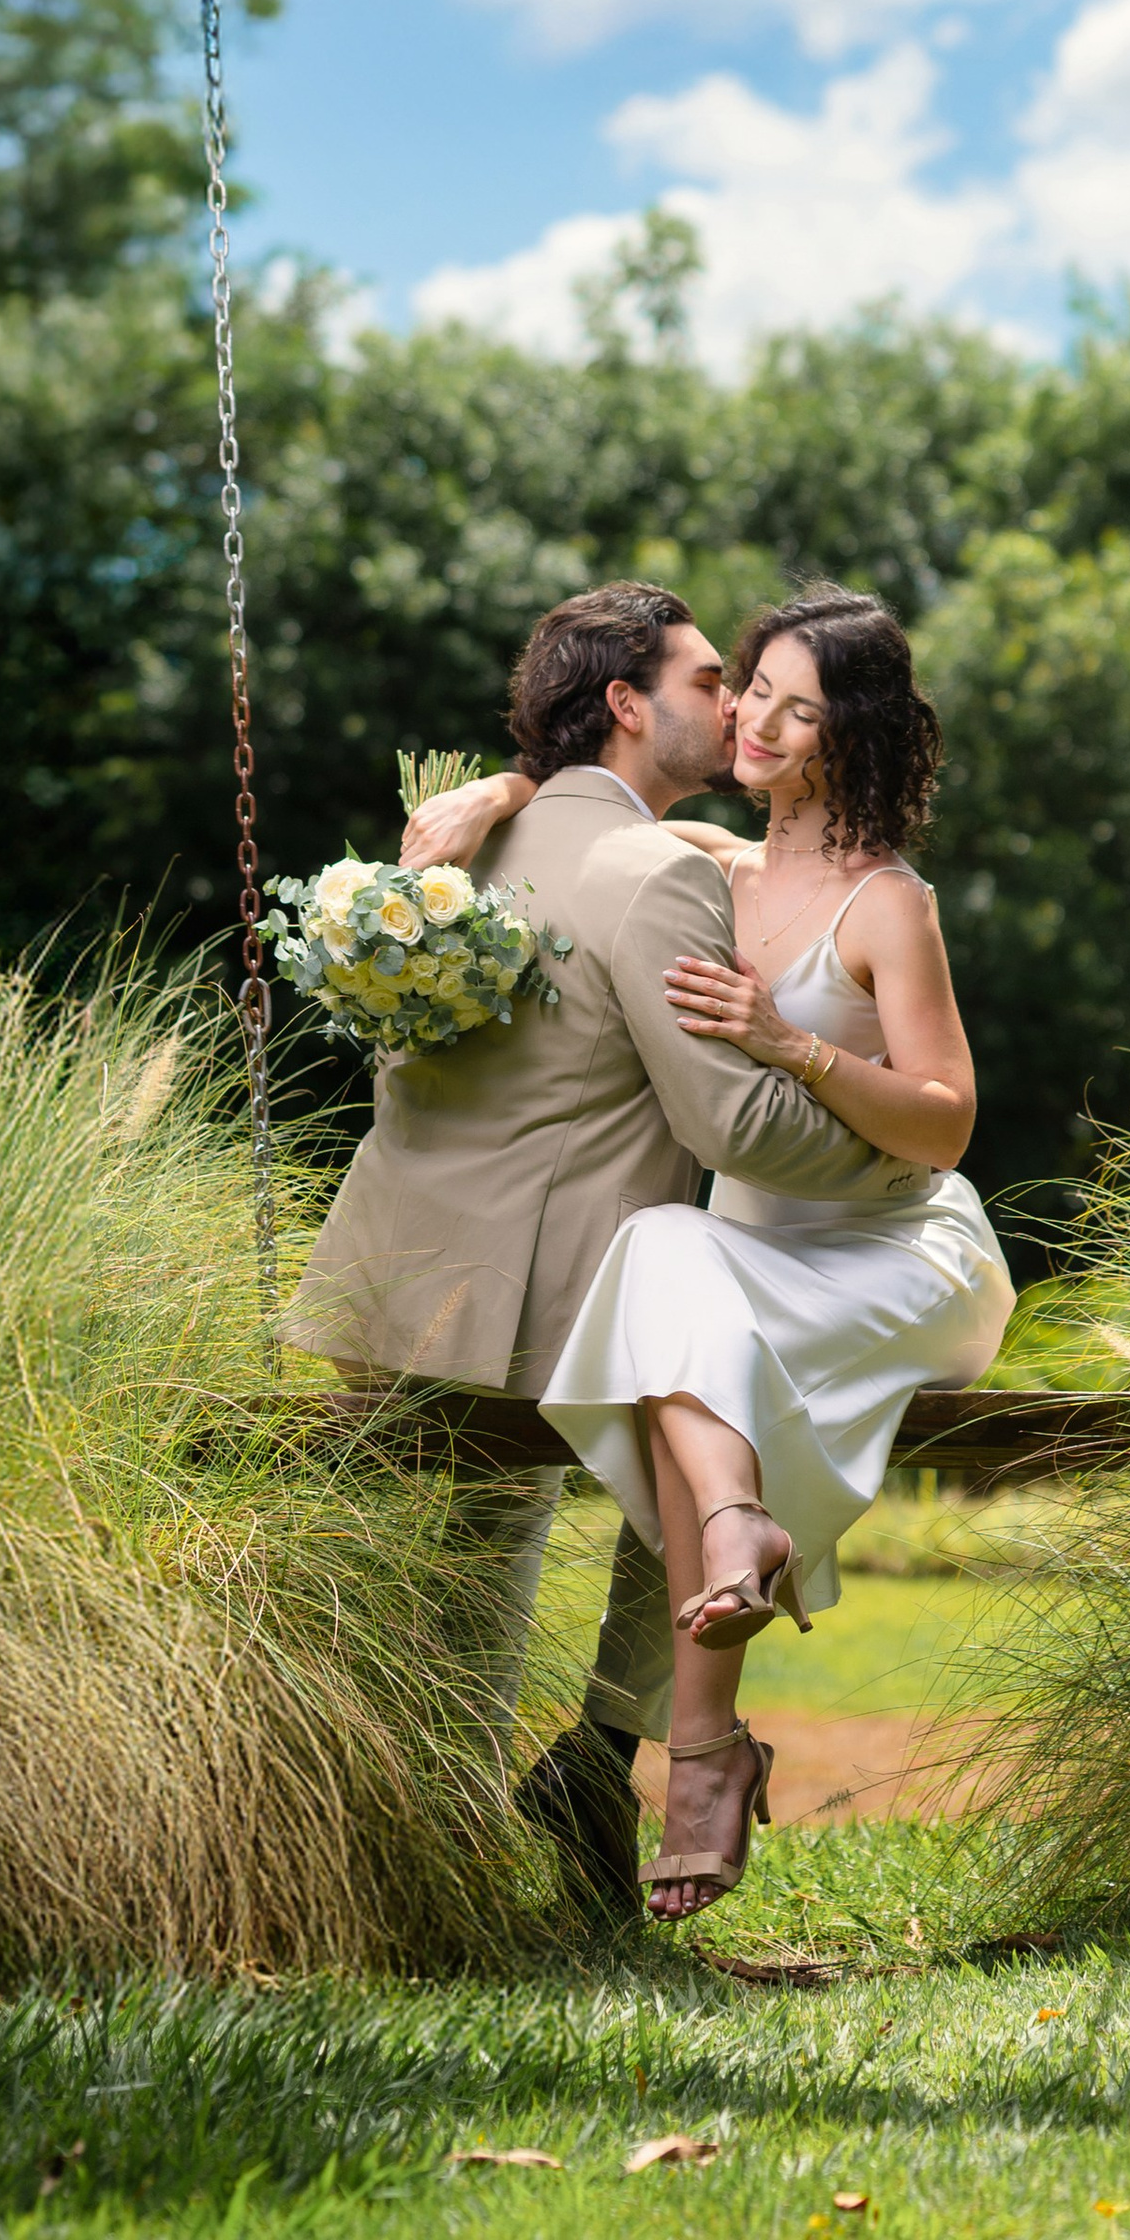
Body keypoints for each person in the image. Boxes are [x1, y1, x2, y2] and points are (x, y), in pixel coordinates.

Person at [285, 580, 919, 1920]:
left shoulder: (446, 865)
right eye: (707, 681)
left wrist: (510, 788)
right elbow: (729, 1121)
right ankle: (577, 1783)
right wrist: (897, 1161)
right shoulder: (657, 877)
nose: (736, 703)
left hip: (388, 1280)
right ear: (627, 706)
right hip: (541, 1304)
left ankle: (399, 1854)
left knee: (386, 1600)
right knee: (735, 1439)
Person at [407, 586, 1014, 1922]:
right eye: (753, 692)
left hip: (891, 1255)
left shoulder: (885, 906)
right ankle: (730, 1563)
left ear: (850, 738)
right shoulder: (712, 868)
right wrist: (493, 794)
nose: (760, 723)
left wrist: (785, 1037)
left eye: (802, 710)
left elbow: (947, 1121)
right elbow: (595, 806)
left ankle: (694, 1759)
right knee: (669, 1253)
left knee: (686, 1325)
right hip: (747, 1255)